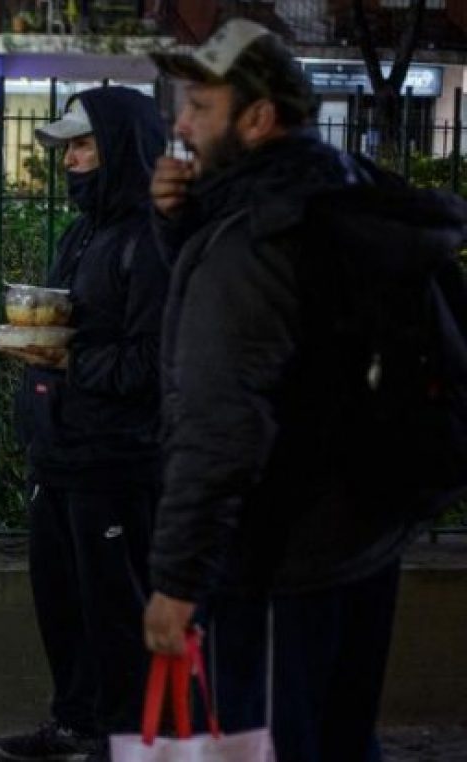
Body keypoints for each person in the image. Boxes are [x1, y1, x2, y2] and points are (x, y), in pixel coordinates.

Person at [143, 19, 466, 761]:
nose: (180, 122)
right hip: (361, 541)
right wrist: (183, 229)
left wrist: (178, 579)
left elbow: (222, 420)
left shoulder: (256, 240)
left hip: (273, 562)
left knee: (272, 746)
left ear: (257, 119)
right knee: (342, 741)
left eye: (199, 104)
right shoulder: (344, 196)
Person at [0, 86, 168, 762]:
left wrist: (73, 355)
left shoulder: (151, 239)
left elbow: (154, 362)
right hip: (61, 451)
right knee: (64, 606)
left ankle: (125, 740)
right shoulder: (85, 229)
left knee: (116, 614)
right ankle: (76, 725)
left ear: (123, 146)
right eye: (67, 145)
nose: (71, 158)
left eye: (85, 144)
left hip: (115, 461)